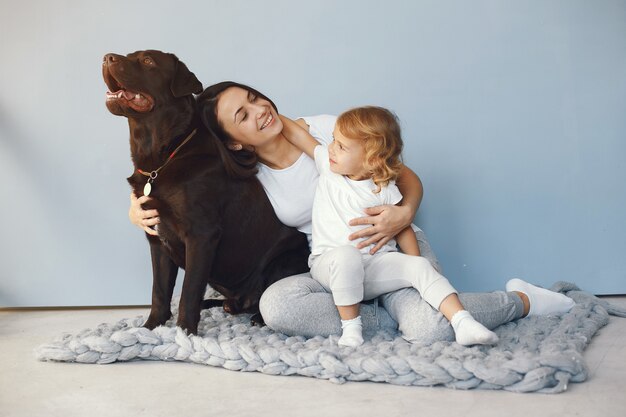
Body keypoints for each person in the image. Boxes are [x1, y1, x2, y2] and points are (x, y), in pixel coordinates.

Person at [128, 81, 575, 345]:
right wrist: (138, 206)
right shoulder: (246, 180)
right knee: (277, 306)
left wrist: (404, 214)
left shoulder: (324, 131)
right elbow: (174, 178)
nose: (260, 111)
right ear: (234, 142)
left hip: (390, 245)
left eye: (254, 98)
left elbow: (407, 178)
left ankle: (522, 299)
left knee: (429, 331)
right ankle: (390, 318)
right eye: (243, 116)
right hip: (333, 266)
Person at [278, 107, 498, 347]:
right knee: (346, 256)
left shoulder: (384, 190)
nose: (331, 148)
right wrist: (258, 116)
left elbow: (401, 228)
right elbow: (297, 134)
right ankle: (351, 329)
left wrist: (415, 265)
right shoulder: (327, 166)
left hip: (374, 268)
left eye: (341, 146)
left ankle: (462, 322)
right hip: (329, 265)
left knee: (419, 266)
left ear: (371, 160)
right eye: (333, 140)